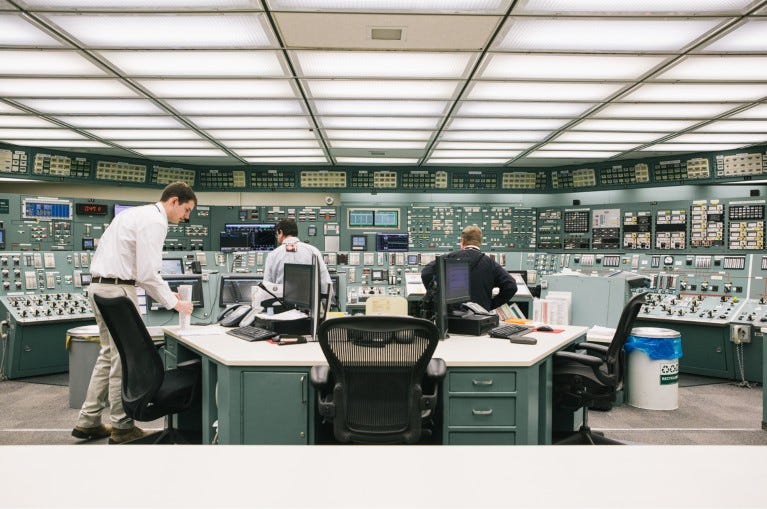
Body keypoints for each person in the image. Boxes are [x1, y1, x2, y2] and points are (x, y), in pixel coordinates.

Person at [71, 182, 197, 444]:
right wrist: (176, 304)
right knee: (123, 359)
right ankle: (122, 425)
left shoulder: (132, 214)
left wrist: (165, 293)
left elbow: (137, 270)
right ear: (173, 201)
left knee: (108, 354)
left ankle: (88, 421)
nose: (186, 218)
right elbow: (148, 273)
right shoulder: (155, 222)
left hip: (98, 287)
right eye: (186, 210)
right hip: (118, 293)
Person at [421, 225, 517, 312]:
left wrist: (437, 293)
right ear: (480, 243)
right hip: (480, 318)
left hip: (452, 317)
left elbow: (426, 273)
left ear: (462, 241)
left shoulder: (450, 257)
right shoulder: (490, 263)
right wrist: (490, 304)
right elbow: (511, 286)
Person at [263, 218, 333, 302]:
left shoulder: (273, 255)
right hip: (308, 308)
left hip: (281, 308)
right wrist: (322, 310)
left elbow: (267, 287)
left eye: (277, 234)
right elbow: (326, 284)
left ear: (280, 232)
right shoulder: (313, 251)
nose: (277, 237)